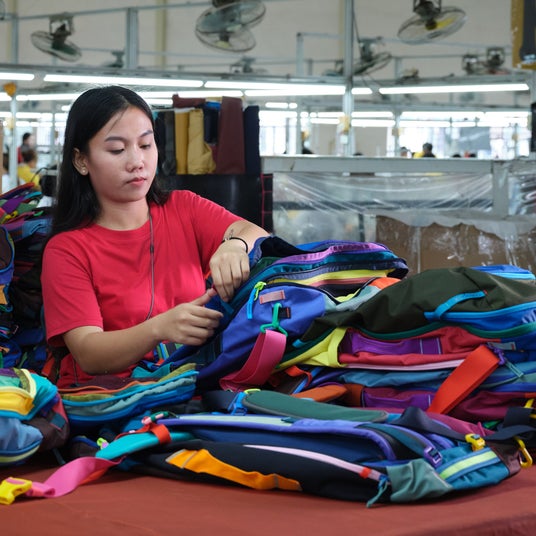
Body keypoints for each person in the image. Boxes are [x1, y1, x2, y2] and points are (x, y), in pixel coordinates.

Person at [41, 86, 269, 388]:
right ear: (81, 160)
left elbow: (255, 234)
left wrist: (235, 245)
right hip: (109, 398)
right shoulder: (67, 250)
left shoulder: (184, 208)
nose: (137, 161)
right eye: (117, 150)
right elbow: (88, 352)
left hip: (186, 385)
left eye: (146, 145)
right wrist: (158, 328)